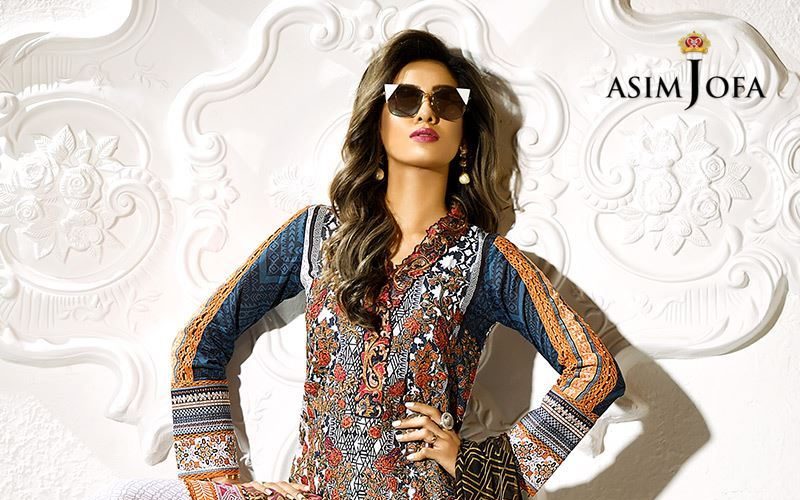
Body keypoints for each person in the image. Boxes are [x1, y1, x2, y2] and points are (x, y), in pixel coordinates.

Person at [90, 28, 625, 500]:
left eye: (447, 101)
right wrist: (217, 483)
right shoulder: (317, 236)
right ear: (378, 120)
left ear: (464, 137)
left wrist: (482, 469)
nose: (426, 112)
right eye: (406, 99)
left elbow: (594, 371)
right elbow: (200, 342)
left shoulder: (486, 260)